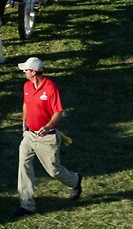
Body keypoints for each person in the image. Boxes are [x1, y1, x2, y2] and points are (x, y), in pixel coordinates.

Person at [11, 56, 82, 218]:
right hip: (29, 135)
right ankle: (27, 205)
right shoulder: (27, 86)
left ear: (34, 72)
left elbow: (58, 112)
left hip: (47, 138)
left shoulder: (50, 88)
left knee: (53, 171)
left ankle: (75, 181)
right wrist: (24, 123)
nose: (24, 72)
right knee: (24, 166)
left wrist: (48, 126)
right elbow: (26, 104)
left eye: (26, 70)